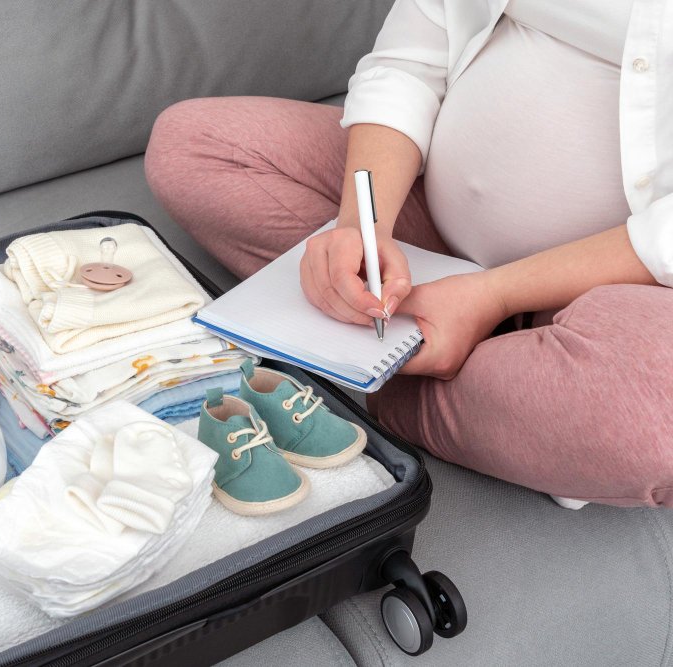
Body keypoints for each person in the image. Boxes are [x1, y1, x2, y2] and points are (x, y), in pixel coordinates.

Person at [144, 0, 673, 508]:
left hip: (620, 285)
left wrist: (495, 295)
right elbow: (410, 61)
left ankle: (384, 374)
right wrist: (361, 223)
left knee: (656, 427)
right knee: (194, 146)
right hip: (425, 228)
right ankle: (491, 379)